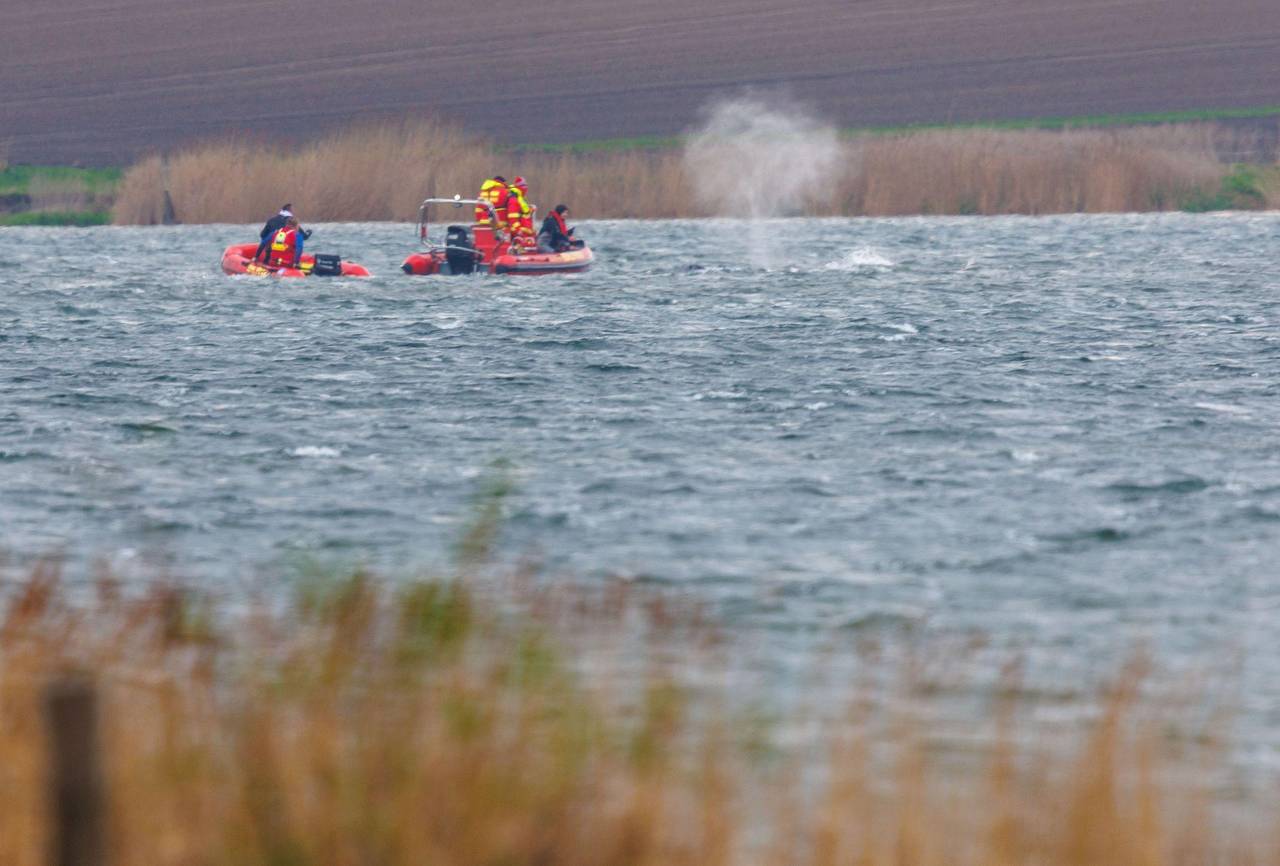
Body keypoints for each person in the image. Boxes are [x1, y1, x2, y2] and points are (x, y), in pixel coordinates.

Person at [504, 176, 536, 252]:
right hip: (521, 233)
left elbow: (523, 212)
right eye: (524, 186)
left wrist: (530, 210)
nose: (526, 188)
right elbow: (512, 218)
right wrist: (519, 231)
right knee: (522, 250)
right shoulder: (513, 200)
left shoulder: (519, 198)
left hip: (525, 232)